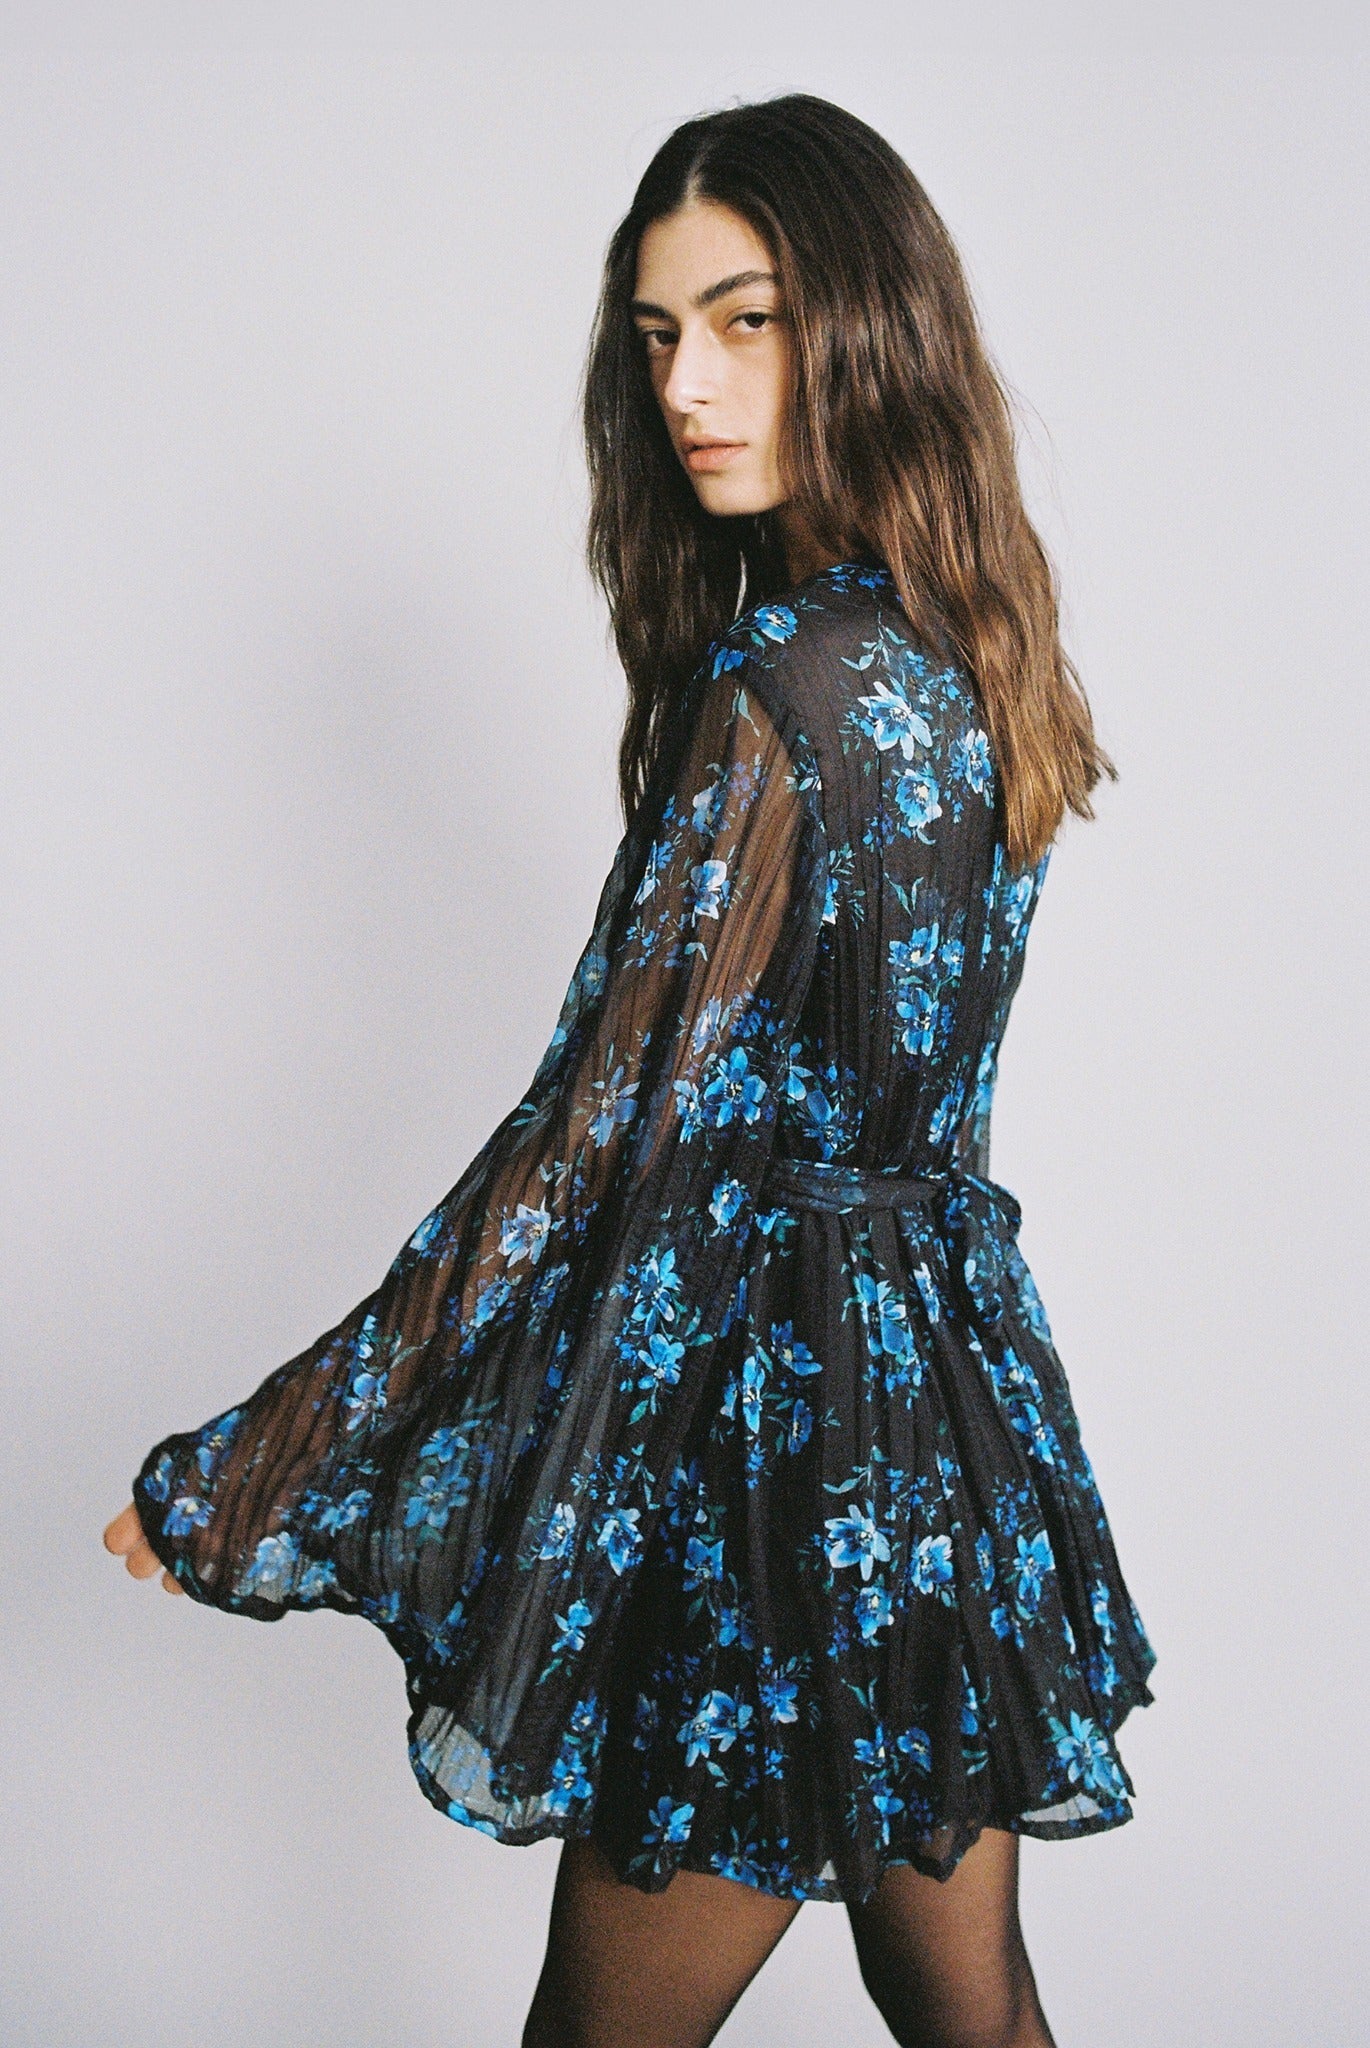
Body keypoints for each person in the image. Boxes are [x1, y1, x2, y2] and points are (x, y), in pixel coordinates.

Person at [104, 93, 1155, 2048]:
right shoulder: (968, 651)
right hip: (949, 1428)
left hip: (789, 1463)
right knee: (966, 2000)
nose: (686, 384)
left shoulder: (775, 703)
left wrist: (264, 1459)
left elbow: (582, 1149)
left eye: (747, 321)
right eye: (659, 334)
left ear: (867, 321)